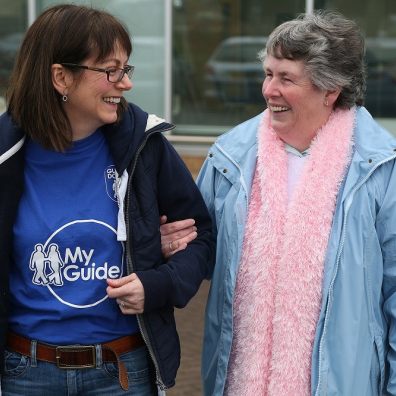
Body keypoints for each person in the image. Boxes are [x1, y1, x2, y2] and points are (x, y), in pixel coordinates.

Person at [161, 10, 396, 395]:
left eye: (286, 78)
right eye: (269, 74)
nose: (269, 90)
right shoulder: (230, 159)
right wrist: (173, 246)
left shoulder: (379, 169)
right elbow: (202, 250)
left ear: (330, 89)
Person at [0, 4, 214, 395]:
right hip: (23, 373)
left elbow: (202, 238)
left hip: (121, 372)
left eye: (125, 69)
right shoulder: (6, 155)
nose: (125, 83)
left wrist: (158, 283)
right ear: (61, 77)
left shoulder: (145, 148)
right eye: (110, 70)